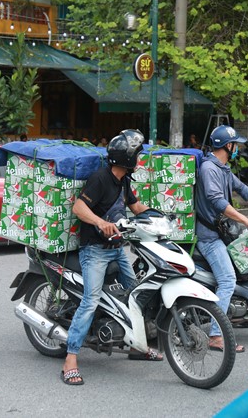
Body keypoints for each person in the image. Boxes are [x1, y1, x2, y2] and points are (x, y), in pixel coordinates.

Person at [61, 129, 160, 386]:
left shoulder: (124, 180)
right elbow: (79, 207)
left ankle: (137, 346)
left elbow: (136, 207)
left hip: (117, 248)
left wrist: (162, 217)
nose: (140, 159)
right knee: (91, 300)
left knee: (136, 293)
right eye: (137, 154)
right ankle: (70, 359)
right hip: (94, 250)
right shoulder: (100, 179)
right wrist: (99, 222)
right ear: (127, 158)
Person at [195, 125, 248, 353]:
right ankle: (215, 334)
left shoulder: (222, 168)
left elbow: (242, 189)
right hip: (209, 237)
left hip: (222, 231)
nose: (236, 149)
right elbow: (217, 201)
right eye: (235, 145)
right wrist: (247, 220)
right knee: (228, 280)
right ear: (227, 146)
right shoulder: (209, 169)